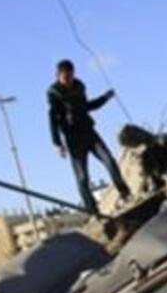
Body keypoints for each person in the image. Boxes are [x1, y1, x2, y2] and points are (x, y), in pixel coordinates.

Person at [47, 59, 131, 214]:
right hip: (73, 138)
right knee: (82, 178)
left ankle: (125, 193)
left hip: (89, 133)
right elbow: (53, 118)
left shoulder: (79, 87)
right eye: (65, 78)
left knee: (109, 161)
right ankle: (92, 210)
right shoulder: (54, 93)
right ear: (59, 76)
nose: (69, 81)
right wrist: (57, 143)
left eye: (71, 77)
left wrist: (105, 97)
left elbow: (87, 106)